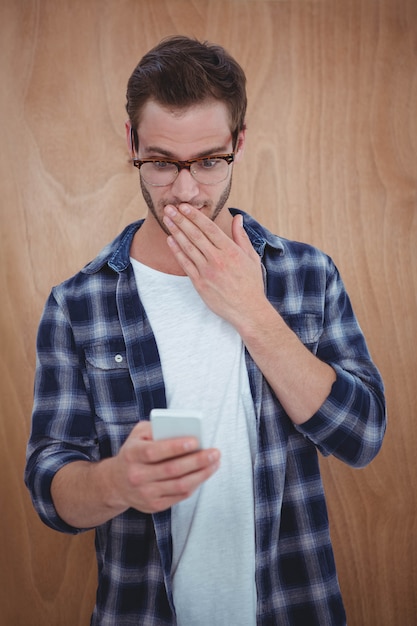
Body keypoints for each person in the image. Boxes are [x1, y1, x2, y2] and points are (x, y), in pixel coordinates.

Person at [25, 35, 386, 626]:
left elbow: (363, 436)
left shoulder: (305, 275)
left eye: (210, 162)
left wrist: (253, 312)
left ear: (238, 144)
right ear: (132, 143)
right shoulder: (78, 303)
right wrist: (117, 482)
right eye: (162, 162)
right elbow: (49, 485)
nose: (186, 192)